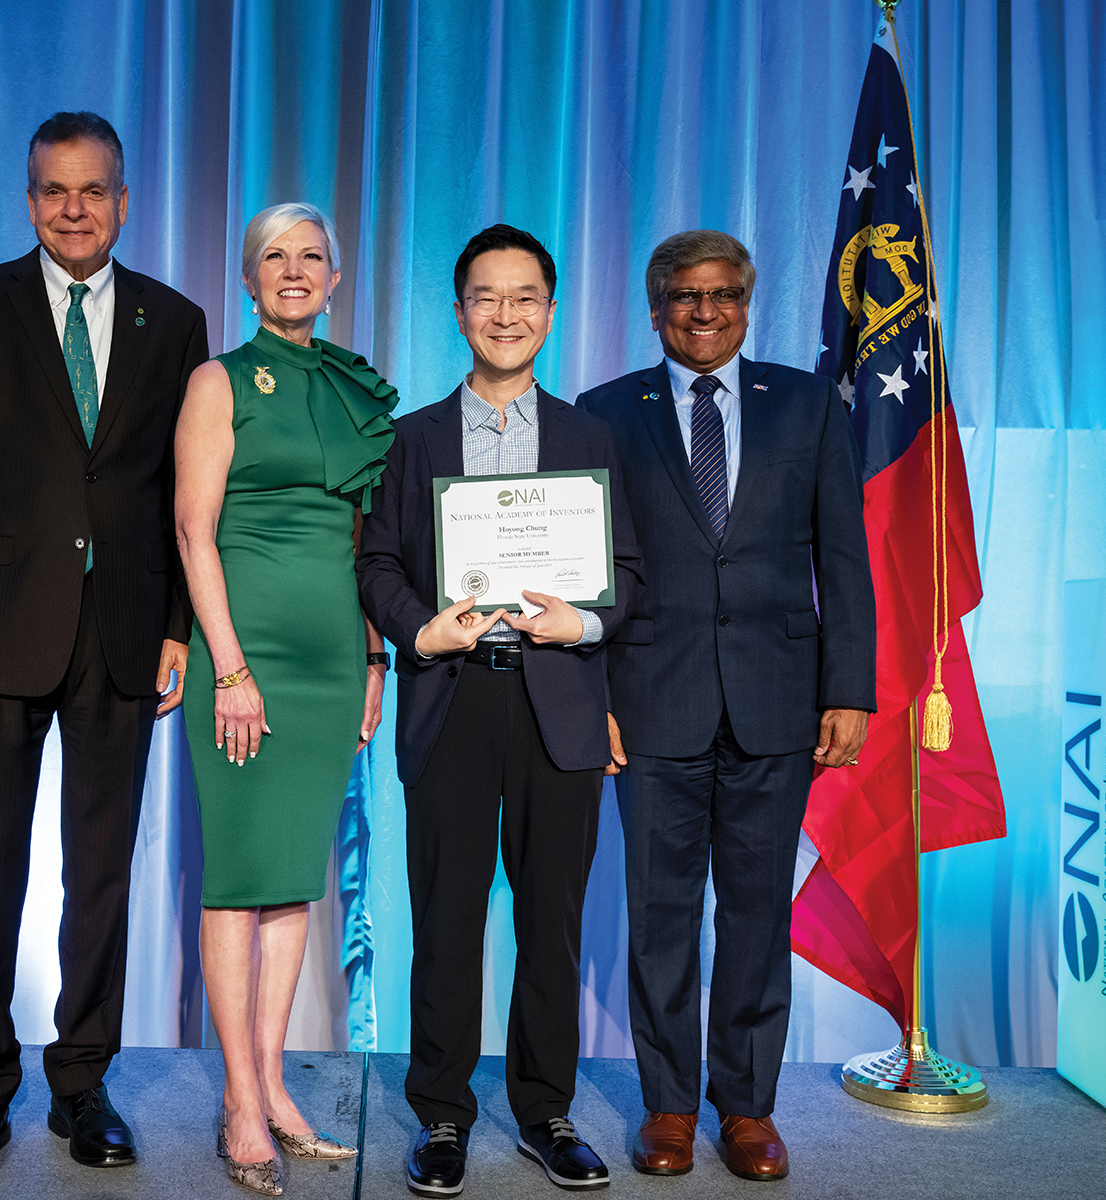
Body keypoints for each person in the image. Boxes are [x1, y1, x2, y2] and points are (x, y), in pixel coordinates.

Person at [0, 111, 209, 1187]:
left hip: (125, 630)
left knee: (101, 870)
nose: (75, 210)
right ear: (30, 201)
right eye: (54, 191)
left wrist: (177, 627)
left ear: (123, 200)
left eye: (93, 191)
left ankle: (82, 1082)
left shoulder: (176, 320)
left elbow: (182, 496)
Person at [578, 230, 875, 1182]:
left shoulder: (807, 403)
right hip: (649, 703)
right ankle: (668, 1106)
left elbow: (844, 556)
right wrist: (592, 698)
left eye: (723, 295)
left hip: (777, 703)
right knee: (660, 915)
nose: (704, 312)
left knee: (756, 913)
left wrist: (849, 690)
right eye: (684, 295)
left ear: (747, 304)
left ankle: (747, 1108)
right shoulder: (604, 412)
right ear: (654, 307)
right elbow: (586, 573)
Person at [357, 224, 643, 1196]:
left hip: (559, 703)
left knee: (552, 923)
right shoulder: (411, 439)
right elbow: (377, 564)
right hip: (451, 700)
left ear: (551, 313)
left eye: (525, 297)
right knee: (444, 919)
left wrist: (584, 620)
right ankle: (440, 1113)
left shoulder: (590, 437)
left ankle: (545, 1111)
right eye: (488, 296)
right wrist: (420, 630)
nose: (506, 314)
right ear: (459, 312)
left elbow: (629, 572)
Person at [174, 202, 397, 1196]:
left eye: (312, 256)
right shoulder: (218, 381)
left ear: (336, 278)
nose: (295, 270)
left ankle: (272, 1084)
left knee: (296, 877)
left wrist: (374, 658)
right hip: (244, 656)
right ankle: (236, 1100)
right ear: (249, 277)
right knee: (239, 876)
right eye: (275, 256)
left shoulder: (354, 386)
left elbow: (364, 542)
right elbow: (193, 530)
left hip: (332, 664)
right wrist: (228, 668)